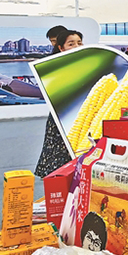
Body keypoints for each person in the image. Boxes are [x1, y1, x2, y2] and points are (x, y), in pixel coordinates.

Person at [34, 30, 84, 178]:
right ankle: (56, 179)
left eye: (79, 42)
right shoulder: (55, 67)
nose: (76, 46)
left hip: (80, 114)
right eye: (71, 44)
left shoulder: (84, 63)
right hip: (60, 115)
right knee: (58, 148)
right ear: (61, 48)